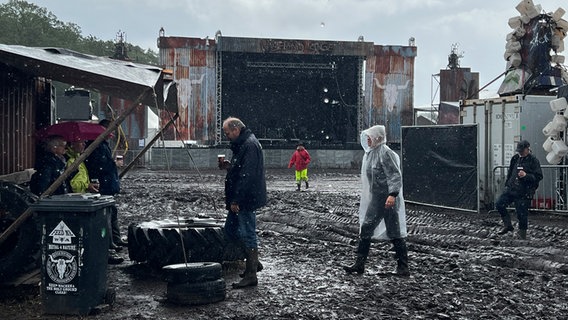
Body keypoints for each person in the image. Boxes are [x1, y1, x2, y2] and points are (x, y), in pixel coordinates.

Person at [344, 125, 409, 277]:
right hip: (377, 198)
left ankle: (403, 267)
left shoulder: (386, 153)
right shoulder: (371, 153)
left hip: (387, 198)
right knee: (366, 228)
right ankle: (359, 264)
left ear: (377, 138)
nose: (367, 140)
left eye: (370, 137)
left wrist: (392, 194)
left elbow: (394, 175)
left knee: (395, 231)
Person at [219, 117, 267, 288]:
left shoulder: (249, 146)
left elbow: (247, 176)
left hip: (245, 199)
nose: (226, 136)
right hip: (242, 197)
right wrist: (229, 167)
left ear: (236, 130)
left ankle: (251, 274)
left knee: (248, 233)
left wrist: (237, 200)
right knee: (230, 231)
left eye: (227, 133)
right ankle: (253, 262)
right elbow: (242, 171)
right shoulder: (246, 144)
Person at [67, 137, 123, 264]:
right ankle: (101, 251)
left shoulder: (79, 159)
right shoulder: (73, 161)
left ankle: (105, 248)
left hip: (84, 196)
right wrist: (86, 185)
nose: (83, 145)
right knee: (96, 224)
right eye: (81, 143)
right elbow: (73, 182)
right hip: (78, 198)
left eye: (84, 142)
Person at [85, 119, 127, 250]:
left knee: (112, 213)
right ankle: (110, 242)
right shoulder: (98, 145)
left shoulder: (101, 145)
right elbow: (99, 165)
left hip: (107, 184)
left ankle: (115, 239)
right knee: (107, 215)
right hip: (104, 185)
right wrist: (112, 165)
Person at [495, 140, 543, 240]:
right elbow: (510, 172)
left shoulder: (533, 161)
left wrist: (526, 176)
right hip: (511, 189)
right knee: (499, 204)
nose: (520, 152)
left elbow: (538, 176)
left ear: (527, 148)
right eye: (519, 150)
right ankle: (507, 225)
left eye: (522, 150)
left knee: (522, 214)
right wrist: (507, 184)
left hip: (524, 191)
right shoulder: (515, 158)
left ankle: (522, 234)